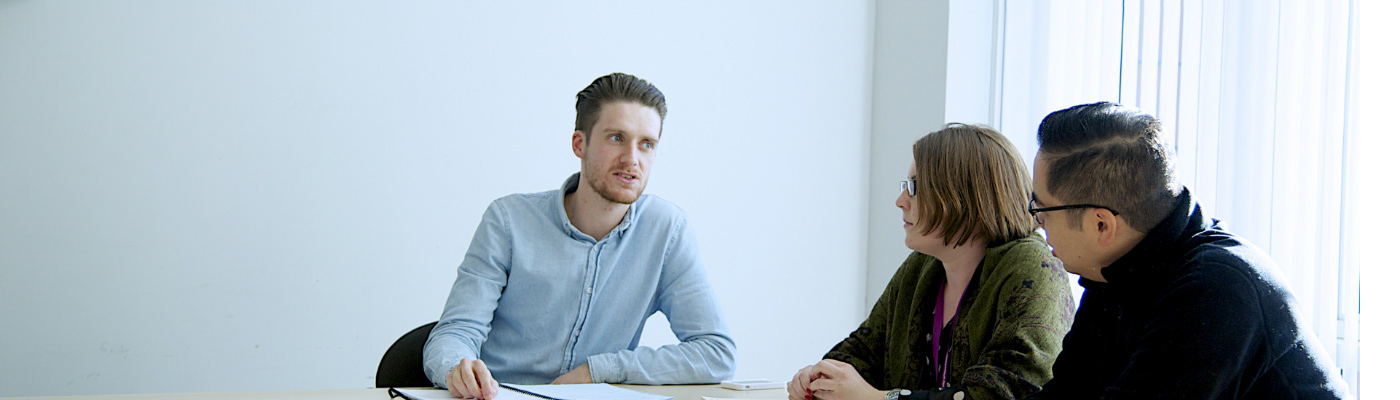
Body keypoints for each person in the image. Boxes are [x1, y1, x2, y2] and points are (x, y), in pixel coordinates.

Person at [422, 73, 736, 399]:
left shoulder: (666, 231)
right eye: (616, 138)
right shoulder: (508, 221)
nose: (632, 159)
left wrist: (598, 370)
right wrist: (456, 369)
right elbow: (455, 333)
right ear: (579, 144)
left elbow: (716, 353)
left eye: (647, 144)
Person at [1024, 102, 1350, 399]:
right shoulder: (1117, 268)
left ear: (1101, 225)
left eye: (1041, 207)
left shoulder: (1216, 288)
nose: (1036, 221)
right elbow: (1067, 393)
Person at [788, 124, 1077, 400]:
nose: (900, 200)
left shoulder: (1033, 266)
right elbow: (862, 352)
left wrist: (881, 398)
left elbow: (1005, 391)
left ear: (965, 195)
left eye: (914, 187)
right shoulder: (922, 266)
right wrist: (819, 378)